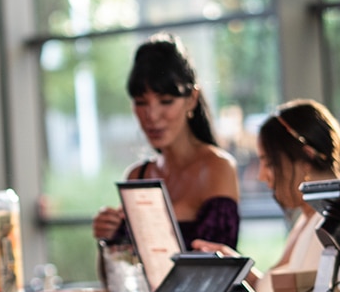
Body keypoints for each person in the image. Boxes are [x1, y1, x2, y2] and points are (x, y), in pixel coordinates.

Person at [194, 98, 340, 292]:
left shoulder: (332, 225)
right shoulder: (307, 219)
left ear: (306, 156)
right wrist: (241, 270)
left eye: (268, 162)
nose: (261, 175)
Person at [92, 33, 241, 250]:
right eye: (141, 102)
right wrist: (107, 236)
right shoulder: (137, 177)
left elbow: (220, 266)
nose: (152, 115)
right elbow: (119, 274)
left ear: (192, 99)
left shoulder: (217, 167)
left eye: (166, 101)